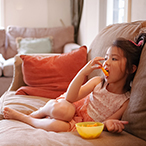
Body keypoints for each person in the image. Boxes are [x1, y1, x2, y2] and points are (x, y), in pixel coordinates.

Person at [3, 33, 146, 133]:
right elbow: (70, 98)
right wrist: (83, 72)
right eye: (106, 57)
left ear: (131, 69)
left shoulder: (125, 101)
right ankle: (39, 112)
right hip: (68, 107)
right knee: (66, 111)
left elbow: (102, 124)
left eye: (114, 59)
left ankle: (28, 120)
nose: (106, 62)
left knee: (61, 127)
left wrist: (107, 125)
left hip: (79, 124)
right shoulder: (97, 82)